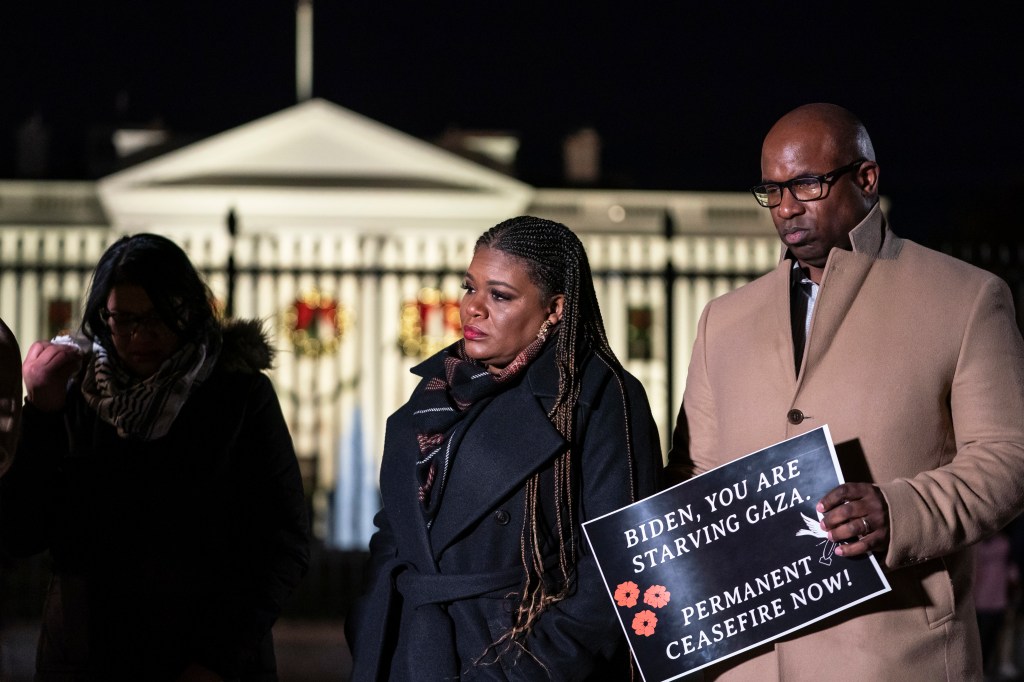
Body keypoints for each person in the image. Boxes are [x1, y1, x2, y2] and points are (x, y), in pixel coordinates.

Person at [666, 103, 1024, 680]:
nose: (785, 208)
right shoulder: (721, 320)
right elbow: (696, 476)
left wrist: (902, 510)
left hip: (896, 656)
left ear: (866, 178)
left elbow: (1010, 456)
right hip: (745, 665)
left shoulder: (966, 297)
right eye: (771, 190)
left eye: (805, 184)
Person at [346, 216, 662, 680]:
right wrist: (371, 621)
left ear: (554, 309)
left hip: (509, 656)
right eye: (469, 287)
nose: (473, 308)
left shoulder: (598, 395)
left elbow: (617, 562)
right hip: (408, 649)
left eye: (500, 295)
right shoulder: (440, 387)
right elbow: (399, 525)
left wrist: (530, 667)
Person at [0, 234, 310, 681]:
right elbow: (21, 532)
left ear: (188, 309)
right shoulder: (74, 395)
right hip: (88, 658)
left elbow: (282, 542)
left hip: (207, 662)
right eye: (124, 320)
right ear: (102, 318)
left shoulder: (239, 396)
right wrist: (43, 413)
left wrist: (216, 658)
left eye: (159, 318)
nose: (141, 336)